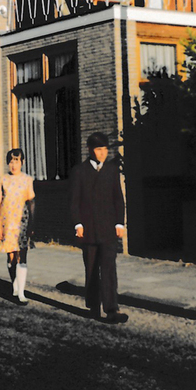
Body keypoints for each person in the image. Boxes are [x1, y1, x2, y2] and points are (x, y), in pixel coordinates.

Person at [70, 132, 128, 324]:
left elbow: (118, 199)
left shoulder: (112, 170)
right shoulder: (80, 171)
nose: (102, 153)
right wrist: (78, 224)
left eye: (105, 149)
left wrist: (119, 223)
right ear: (90, 150)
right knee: (92, 269)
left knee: (109, 269)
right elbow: (74, 201)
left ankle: (111, 309)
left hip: (108, 229)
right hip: (88, 230)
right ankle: (94, 306)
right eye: (98, 149)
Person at [0, 148, 36, 304]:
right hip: (7, 223)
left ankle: (21, 293)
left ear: (22, 163)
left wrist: (32, 224)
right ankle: (15, 285)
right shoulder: (2, 180)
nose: (14, 165)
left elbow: (31, 202)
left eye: (17, 161)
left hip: (22, 222)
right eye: (11, 161)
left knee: (22, 256)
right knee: (11, 257)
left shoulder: (27, 180)